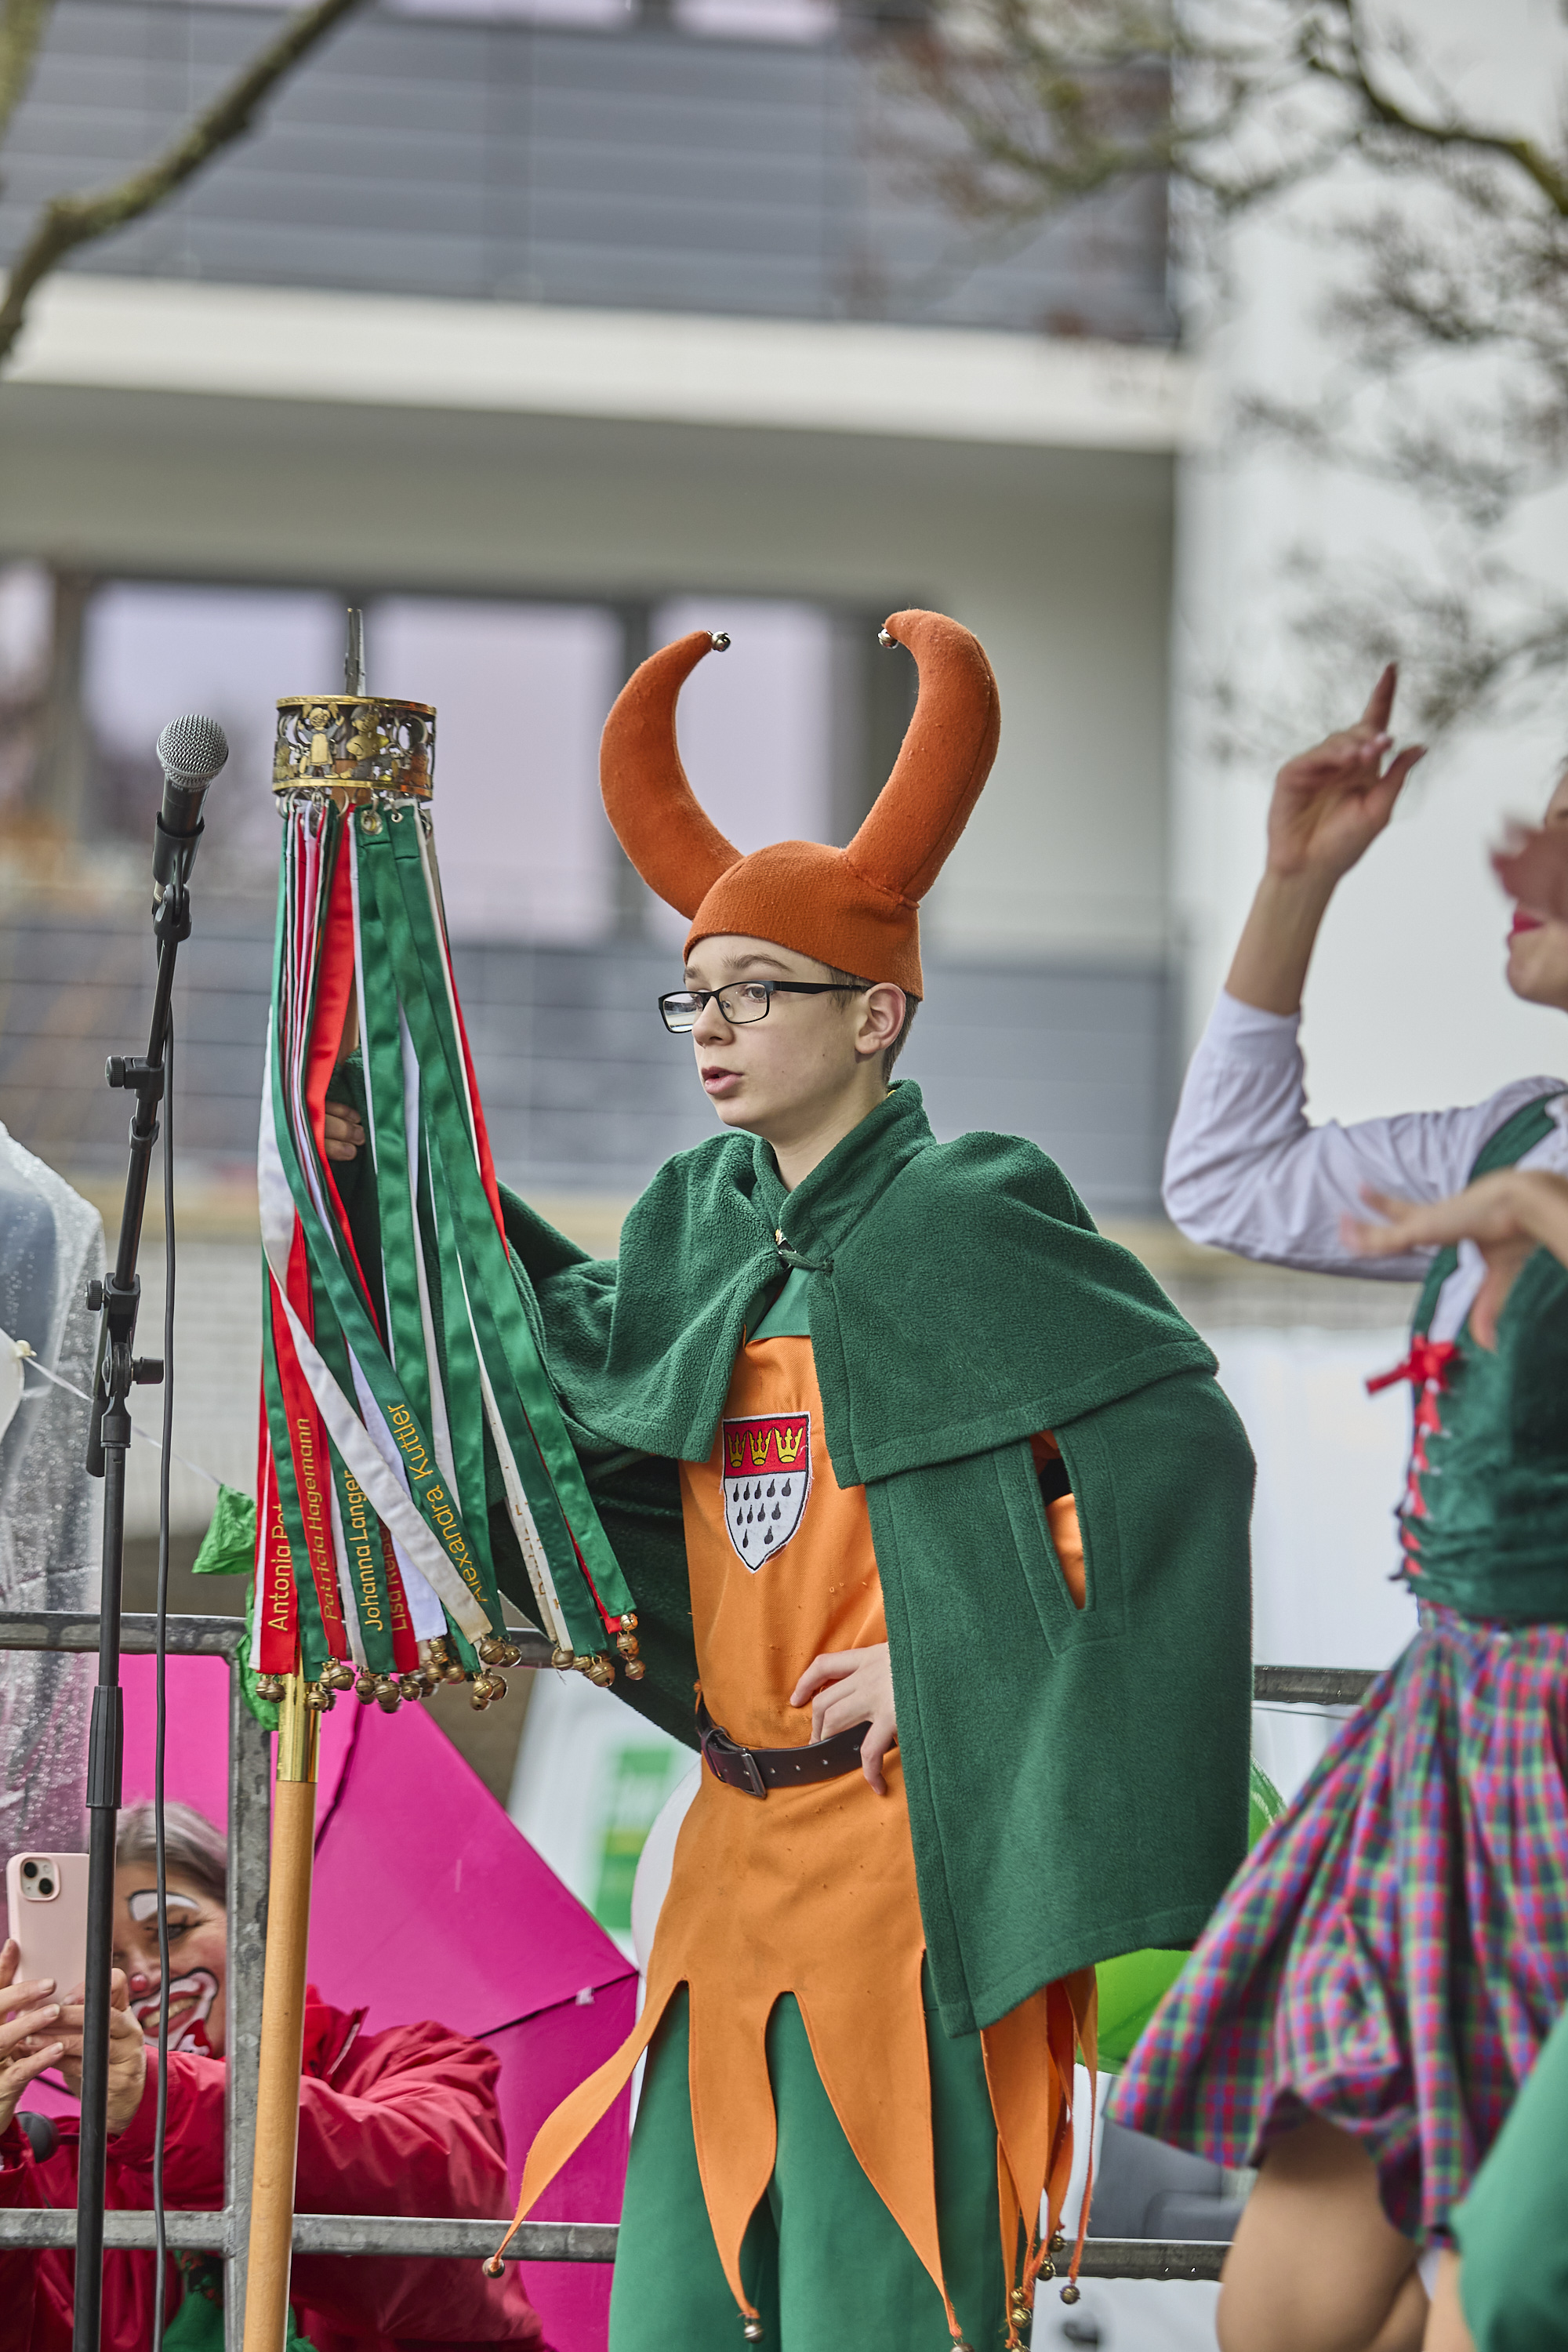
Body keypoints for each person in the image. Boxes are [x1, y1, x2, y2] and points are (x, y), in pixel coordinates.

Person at [328, 609, 1257, 2352]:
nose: (712, 1024)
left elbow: (1175, 1461)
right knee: (671, 2319)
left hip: (914, 1868)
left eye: (758, 990)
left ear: (878, 1012)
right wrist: (392, 1190)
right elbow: (554, 1371)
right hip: (724, 1861)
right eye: (696, 990)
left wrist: (958, 1655)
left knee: (875, 2318)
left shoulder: (981, 1214)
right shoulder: (697, 1220)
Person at [1109, 667, 1568, 2352]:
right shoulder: (1517, 1128)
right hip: (1449, 1742)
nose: (1524, 860)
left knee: (1495, 2310)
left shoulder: (1525, 1172)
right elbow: (1227, 1184)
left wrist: (1543, 1219)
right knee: (1284, 2323)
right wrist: (1295, 881)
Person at [0, 1802, 550, 2352]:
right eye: (107, 1957)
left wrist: (160, 2103)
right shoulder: (56, 2172)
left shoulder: (418, 2066)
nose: (143, 1975)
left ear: (257, 1925)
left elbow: (440, 2242)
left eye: (171, 1930)